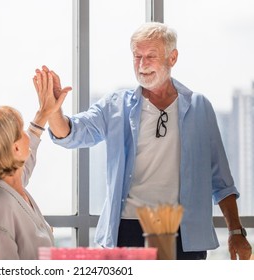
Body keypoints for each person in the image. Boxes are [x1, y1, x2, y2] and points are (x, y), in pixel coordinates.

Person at [33, 22, 252, 260]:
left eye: (151, 56)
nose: (142, 64)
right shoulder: (115, 105)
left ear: (173, 58)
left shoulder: (200, 107)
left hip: (184, 233)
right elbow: (71, 133)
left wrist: (235, 230)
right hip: (128, 229)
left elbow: (220, 180)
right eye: (137, 56)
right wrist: (53, 111)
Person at [0, 70, 65, 259]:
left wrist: (43, 112)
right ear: (16, 149)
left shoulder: (9, 184)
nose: (28, 133)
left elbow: (26, 162)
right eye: (21, 131)